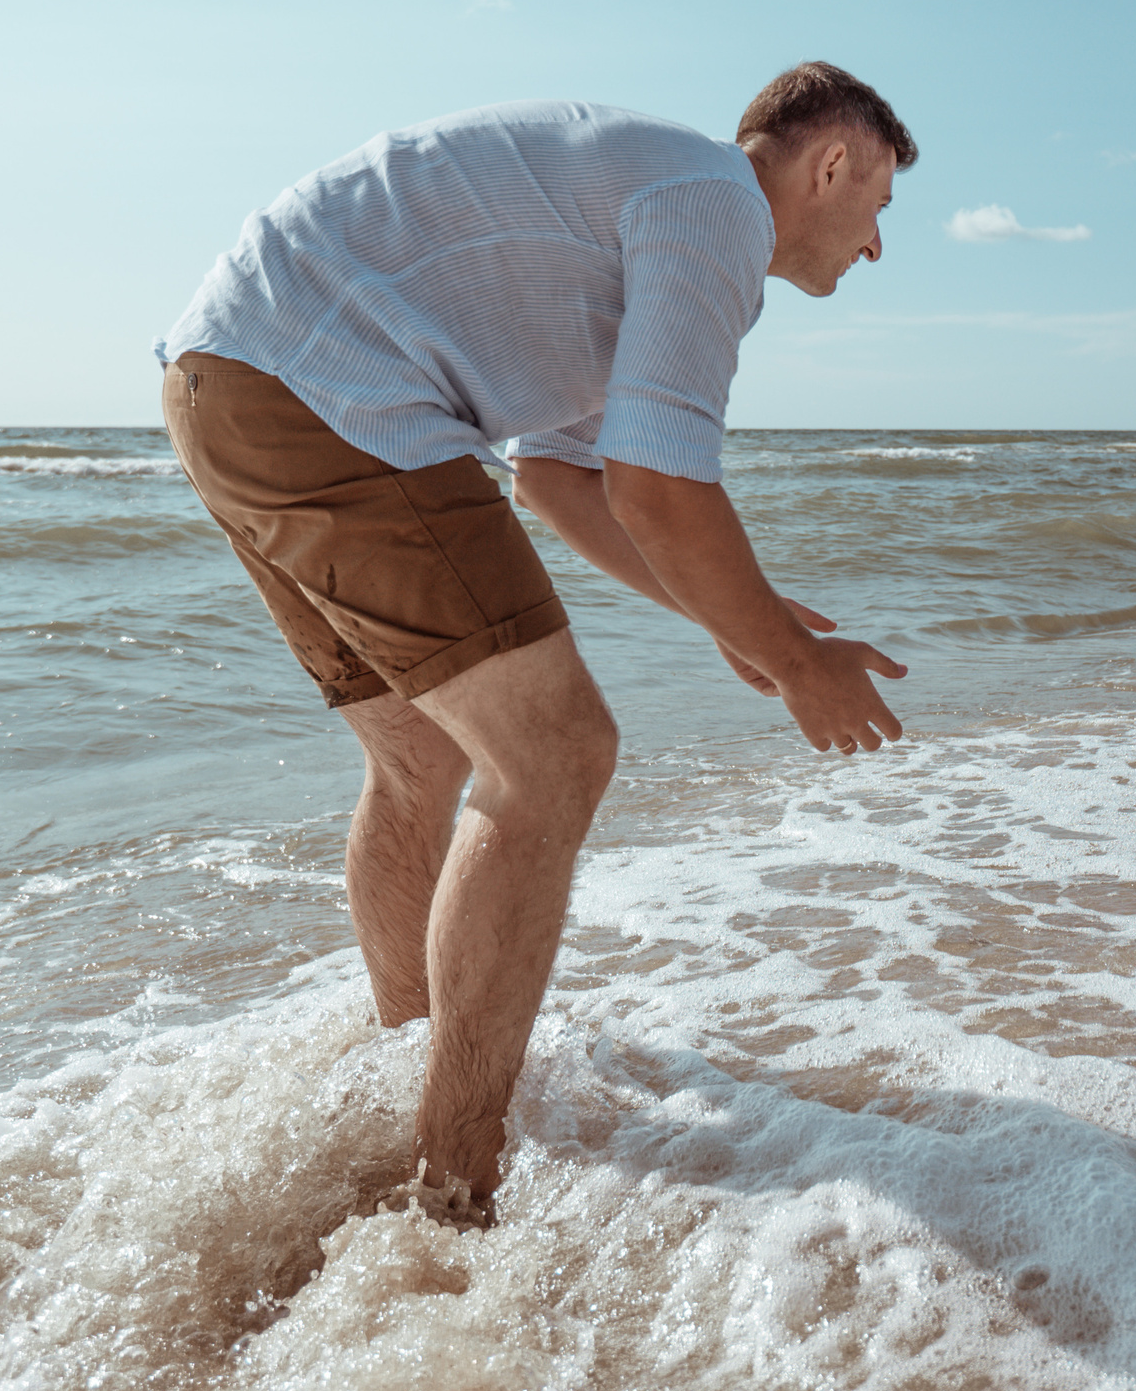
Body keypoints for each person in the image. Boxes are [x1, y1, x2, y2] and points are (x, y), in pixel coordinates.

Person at [154, 64, 916, 1219]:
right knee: (556, 755)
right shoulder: (716, 202)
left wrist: (732, 619)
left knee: (419, 758)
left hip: (224, 381)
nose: (873, 247)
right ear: (831, 164)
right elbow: (661, 483)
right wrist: (795, 659)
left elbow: (565, 477)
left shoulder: (652, 203)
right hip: (330, 390)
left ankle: (410, 1080)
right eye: (880, 208)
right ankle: (455, 1180)